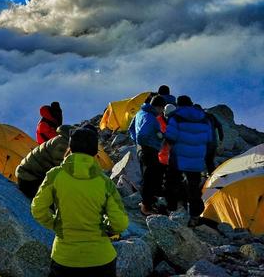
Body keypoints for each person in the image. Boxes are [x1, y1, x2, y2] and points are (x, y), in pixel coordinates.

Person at [31, 126, 128, 277]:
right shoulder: (105, 182)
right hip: (101, 259)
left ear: (70, 147)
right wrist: (107, 228)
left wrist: (57, 225)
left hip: (64, 258)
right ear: (96, 152)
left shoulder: (55, 175)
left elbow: (38, 209)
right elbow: (120, 223)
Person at [165, 95, 213, 227]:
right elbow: (209, 139)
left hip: (178, 157)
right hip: (197, 158)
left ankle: (172, 209)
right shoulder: (204, 117)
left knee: (172, 183)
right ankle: (194, 216)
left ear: (178, 105)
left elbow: (170, 137)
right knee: (194, 187)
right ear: (191, 103)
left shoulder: (175, 117)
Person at [128, 95, 166, 216]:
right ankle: (146, 206)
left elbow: (131, 128)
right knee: (150, 177)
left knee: (149, 175)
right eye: (162, 109)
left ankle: (149, 201)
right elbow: (143, 134)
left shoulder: (140, 113)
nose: (162, 112)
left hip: (142, 149)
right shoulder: (150, 118)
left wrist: (137, 143)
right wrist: (155, 138)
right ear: (159, 107)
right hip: (149, 149)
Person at [16, 125, 72, 199]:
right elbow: (61, 167)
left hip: (30, 174)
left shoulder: (64, 140)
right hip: (28, 178)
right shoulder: (63, 143)